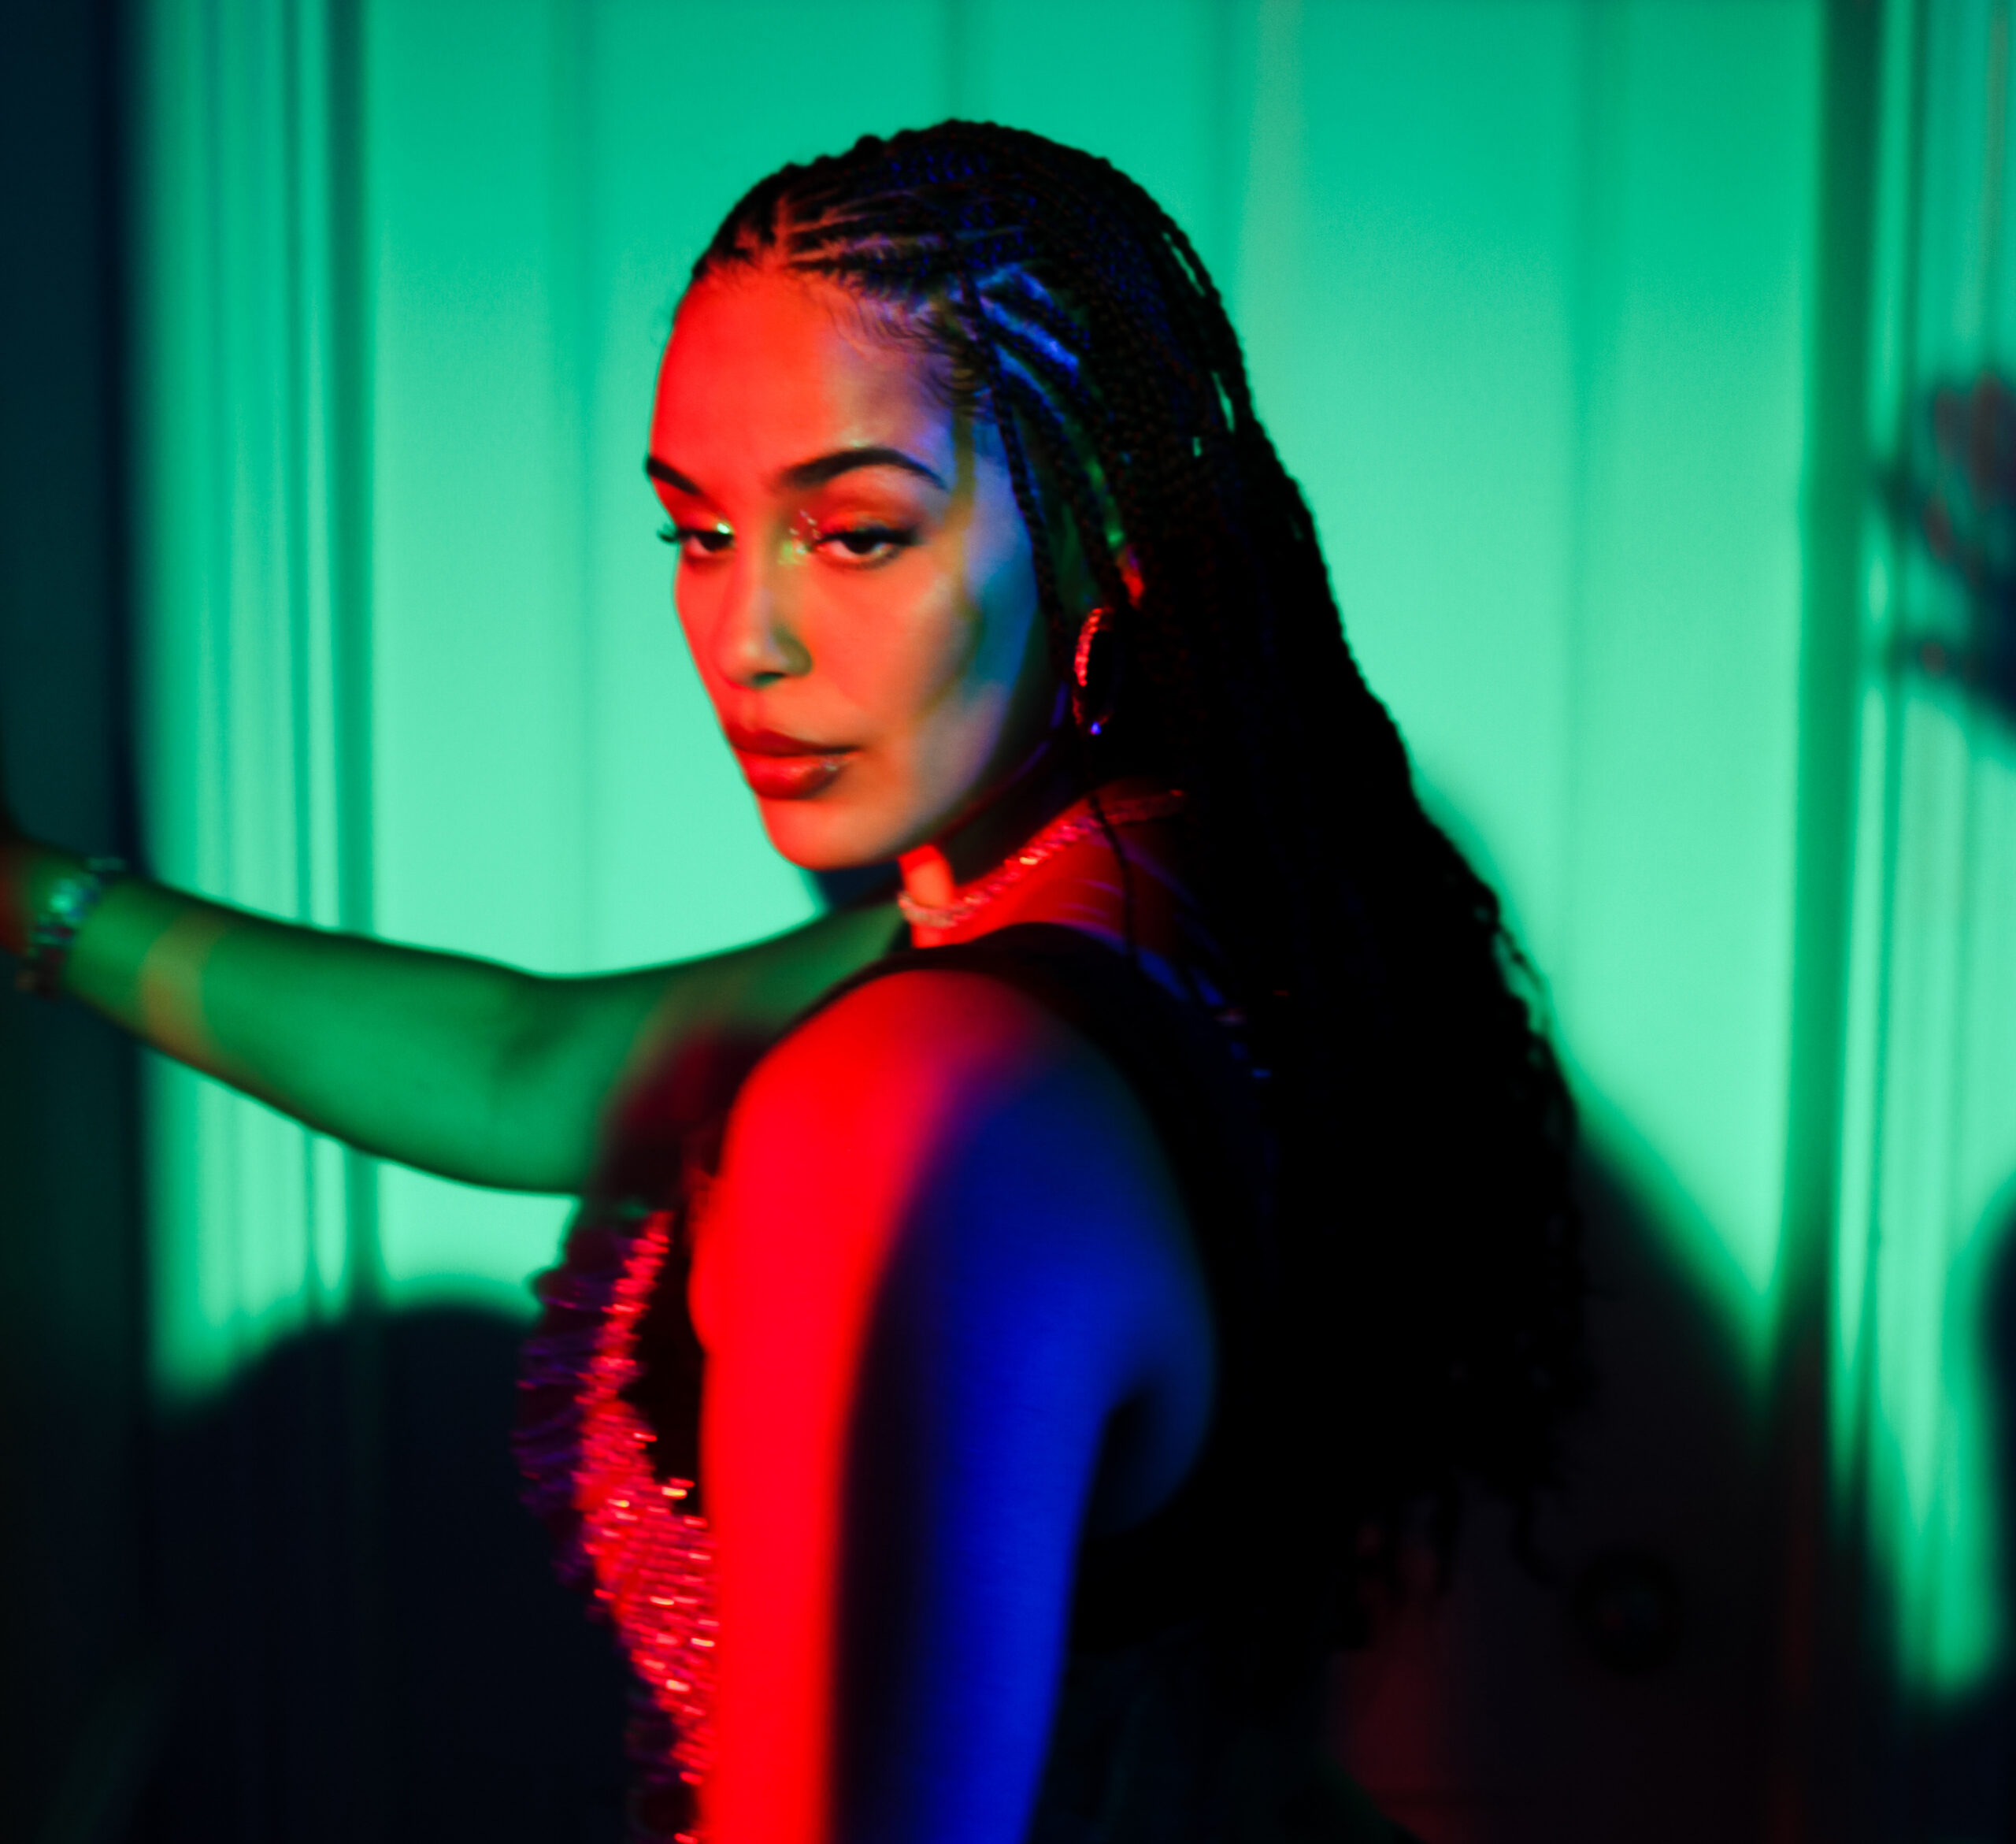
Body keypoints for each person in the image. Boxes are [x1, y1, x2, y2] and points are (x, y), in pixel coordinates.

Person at [0, 124, 1582, 1844]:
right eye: (695, 532)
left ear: (1103, 527)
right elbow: (536, 1062)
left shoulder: (923, 1102)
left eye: (854, 533)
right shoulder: (1151, 909)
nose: (744, 638)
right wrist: (31, 902)